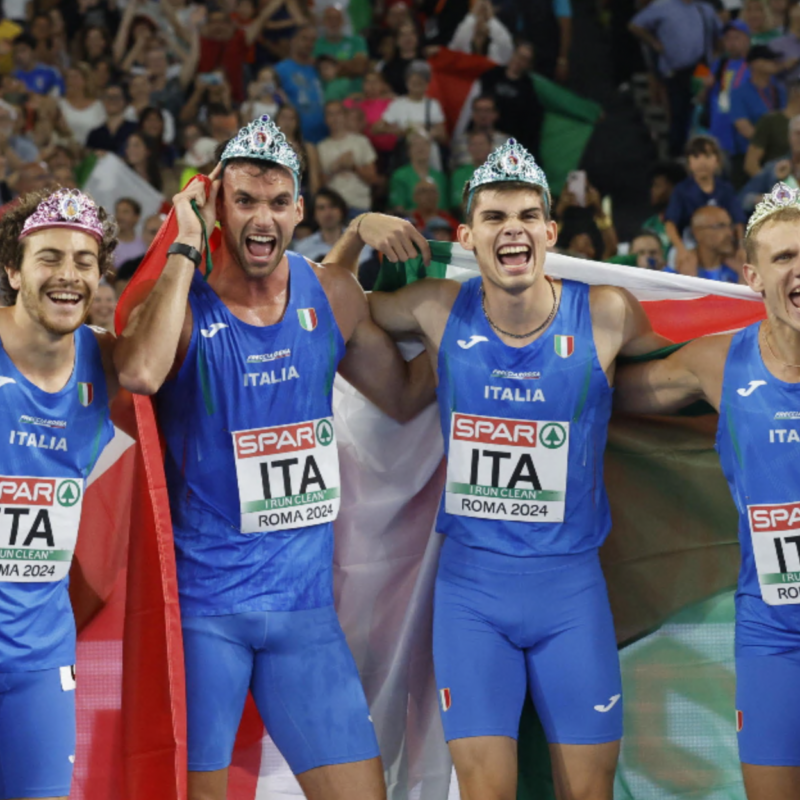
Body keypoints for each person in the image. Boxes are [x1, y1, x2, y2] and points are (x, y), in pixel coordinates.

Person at [323, 138, 668, 800]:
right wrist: (355, 234)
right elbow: (320, 306)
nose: (511, 229)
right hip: (472, 598)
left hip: (573, 597)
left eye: (525, 215)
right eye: (494, 217)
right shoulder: (436, 307)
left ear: (549, 231)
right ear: (467, 236)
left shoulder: (607, 314)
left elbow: (678, 381)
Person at [113, 115, 436, 800]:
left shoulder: (332, 294)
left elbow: (405, 398)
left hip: (304, 617)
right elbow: (139, 372)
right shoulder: (183, 304)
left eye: (277, 201)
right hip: (206, 615)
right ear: (216, 206)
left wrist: (478, 327)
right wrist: (181, 247)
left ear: (298, 209)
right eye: (244, 200)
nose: (262, 218)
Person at [614, 180, 800, 800]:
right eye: (784, 257)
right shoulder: (718, 364)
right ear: (753, 276)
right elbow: (599, 389)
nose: (799, 269)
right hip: (773, 635)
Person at [0, 187, 117, 800]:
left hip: (39, 658)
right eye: (48, 257)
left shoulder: (106, 362)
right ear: (13, 270)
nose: (67, 275)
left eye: (84, 261)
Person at [629, 0, 722, 157]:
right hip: (675, 69)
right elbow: (635, 25)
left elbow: (719, 34)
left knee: (698, 109)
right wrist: (653, 42)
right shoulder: (662, 7)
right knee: (678, 109)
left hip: (700, 67)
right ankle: (677, 152)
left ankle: (696, 149)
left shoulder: (704, 9)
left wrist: (716, 57)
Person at [665, 135, 745, 273]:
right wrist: (680, 248)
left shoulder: (725, 189)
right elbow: (670, 223)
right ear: (689, 162)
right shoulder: (682, 190)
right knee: (686, 263)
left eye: (707, 156)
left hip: (723, 240)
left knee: (741, 263)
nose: (702, 162)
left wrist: (741, 246)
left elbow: (738, 221)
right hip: (690, 241)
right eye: (696, 157)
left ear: (717, 161)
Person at [730, 45, 786, 185]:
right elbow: (742, 126)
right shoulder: (739, 93)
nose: (774, 62)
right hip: (749, 155)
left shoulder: (781, 91)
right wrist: (767, 144)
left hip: (780, 157)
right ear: (754, 63)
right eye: (768, 58)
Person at [478, 42, 544, 159]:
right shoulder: (492, 75)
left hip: (508, 141)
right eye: (518, 55)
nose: (518, 61)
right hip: (482, 133)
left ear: (529, 65)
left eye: (524, 59)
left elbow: (530, 130)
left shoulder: (529, 92)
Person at [318, 100, 377, 216]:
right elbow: (319, 184)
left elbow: (372, 178)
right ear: (325, 119)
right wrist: (335, 167)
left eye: (338, 113)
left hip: (359, 204)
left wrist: (353, 167)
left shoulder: (361, 142)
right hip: (333, 208)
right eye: (330, 114)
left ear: (345, 116)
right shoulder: (321, 147)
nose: (335, 118)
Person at [275, 24, 328, 144]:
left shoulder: (318, 68)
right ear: (293, 41)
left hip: (323, 137)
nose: (309, 43)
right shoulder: (281, 69)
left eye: (312, 40)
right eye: (304, 38)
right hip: (295, 139)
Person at [741, 114, 800, 211]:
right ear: (789, 137)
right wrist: (768, 199)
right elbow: (743, 199)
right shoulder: (774, 168)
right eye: (798, 133)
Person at [744, 76, 800, 177]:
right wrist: (770, 183)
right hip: (780, 184)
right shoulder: (770, 121)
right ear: (796, 93)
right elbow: (751, 163)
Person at [450, 95, 510, 169]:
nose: (483, 115)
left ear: (495, 114)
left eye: (487, 110)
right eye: (478, 110)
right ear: (472, 114)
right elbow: (452, 171)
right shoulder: (460, 142)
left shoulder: (506, 142)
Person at [641, 160, 687, 257]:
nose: (652, 190)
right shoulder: (650, 225)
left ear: (674, 189)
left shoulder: (688, 225)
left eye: (657, 186)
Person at [449, 0, 514, 65]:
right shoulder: (463, 44)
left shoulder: (496, 53)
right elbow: (458, 39)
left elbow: (506, 43)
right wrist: (472, 16)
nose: (481, 20)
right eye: (479, 17)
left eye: (485, 19)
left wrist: (491, 19)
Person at [689, 205, 742, 282]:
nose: (729, 233)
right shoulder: (675, 275)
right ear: (698, 233)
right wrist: (688, 279)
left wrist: (743, 278)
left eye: (730, 226)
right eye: (720, 226)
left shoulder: (737, 271)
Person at [86, 83, 138, 155]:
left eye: (116, 97)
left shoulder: (136, 129)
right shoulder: (95, 134)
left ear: (125, 101)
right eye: (107, 97)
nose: (111, 100)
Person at [113, 197, 146, 269]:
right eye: (117, 211)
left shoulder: (144, 246)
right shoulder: (106, 243)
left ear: (136, 217)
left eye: (125, 212)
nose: (119, 216)